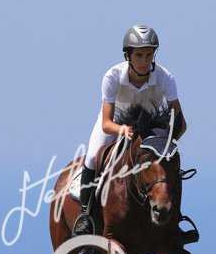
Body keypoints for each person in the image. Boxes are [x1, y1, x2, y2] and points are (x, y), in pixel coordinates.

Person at [73, 24, 188, 236]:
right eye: (139, 55)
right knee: (91, 158)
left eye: (149, 55)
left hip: (148, 129)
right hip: (116, 125)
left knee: (170, 165)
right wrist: (123, 130)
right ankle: (85, 215)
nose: (145, 61)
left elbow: (181, 123)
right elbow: (106, 123)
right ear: (127, 55)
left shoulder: (165, 78)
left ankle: (176, 219)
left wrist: (168, 141)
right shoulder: (112, 76)